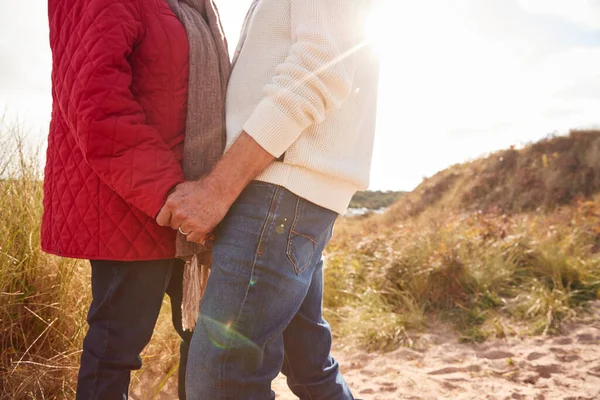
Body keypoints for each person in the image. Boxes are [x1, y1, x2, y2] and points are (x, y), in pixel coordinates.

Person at [157, 0, 380, 398]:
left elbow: (321, 67)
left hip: (278, 194)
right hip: (289, 196)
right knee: (311, 369)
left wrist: (218, 189)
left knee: (221, 381)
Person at [42, 0, 228, 398]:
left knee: (208, 345)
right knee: (116, 350)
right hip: (133, 206)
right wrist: (169, 192)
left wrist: (210, 195)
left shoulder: (196, 7)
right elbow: (95, 102)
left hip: (199, 210)